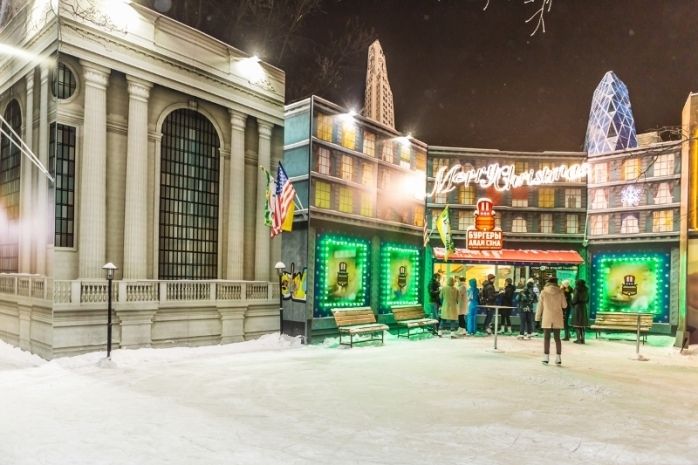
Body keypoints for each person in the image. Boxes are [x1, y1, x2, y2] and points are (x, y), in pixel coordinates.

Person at [535, 276, 567, 365]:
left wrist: (537, 318)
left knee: (546, 337)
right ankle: (558, 358)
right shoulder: (560, 292)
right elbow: (564, 305)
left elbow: (540, 307)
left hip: (547, 316)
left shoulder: (543, 292)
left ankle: (546, 357)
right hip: (557, 316)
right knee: (557, 338)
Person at [570, 279, 589, 344]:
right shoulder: (586, 289)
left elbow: (575, 299)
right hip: (584, 307)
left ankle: (578, 339)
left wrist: (572, 303)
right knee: (582, 325)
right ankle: (583, 339)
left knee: (577, 324)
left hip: (577, 307)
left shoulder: (577, 289)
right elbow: (588, 299)